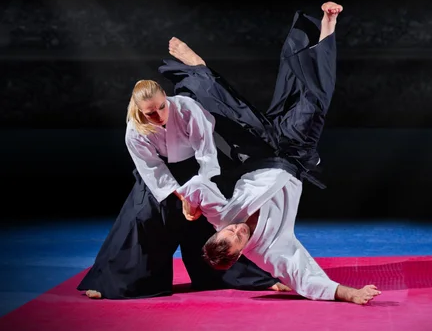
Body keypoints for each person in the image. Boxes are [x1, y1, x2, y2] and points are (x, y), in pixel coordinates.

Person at [159, 1, 382, 305]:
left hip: (259, 152)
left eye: (228, 232)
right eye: (237, 238)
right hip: (293, 154)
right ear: (240, 255)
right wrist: (349, 294)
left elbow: (199, 186)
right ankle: (328, 26)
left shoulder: (220, 217)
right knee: (314, 101)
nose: (236, 229)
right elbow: (304, 276)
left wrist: (188, 201)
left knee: (235, 111)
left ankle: (199, 69)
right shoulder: (269, 251)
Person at [76, 79, 286, 300]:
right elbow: (153, 170)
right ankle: (114, 282)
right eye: (150, 113)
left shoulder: (187, 108)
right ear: (139, 110)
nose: (159, 115)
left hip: (198, 168)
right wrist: (182, 197)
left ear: (165, 96)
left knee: (214, 220)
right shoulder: (134, 131)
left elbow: (206, 154)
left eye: (162, 106)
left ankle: (250, 278)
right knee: (142, 218)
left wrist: (199, 193)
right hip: (161, 177)